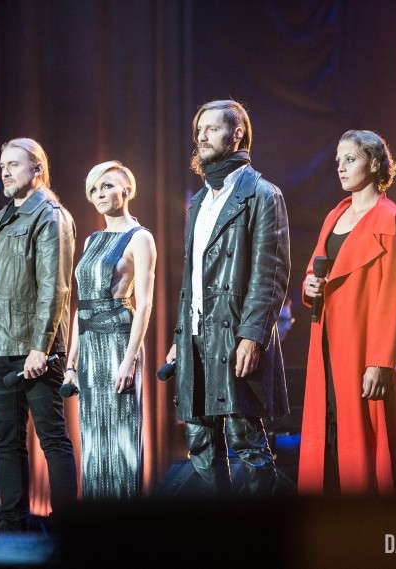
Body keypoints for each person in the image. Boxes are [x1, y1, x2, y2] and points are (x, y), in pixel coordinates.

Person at [166, 99, 291, 496]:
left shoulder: (262, 194)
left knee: (246, 441)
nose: (201, 136)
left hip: (234, 333)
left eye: (211, 128)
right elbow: (192, 279)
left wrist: (253, 335)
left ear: (236, 133)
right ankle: (218, 538)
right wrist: (178, 338)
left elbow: (270, 273)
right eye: (198, 130)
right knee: (200, 445)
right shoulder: (199, 200)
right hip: (196, 335)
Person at [0, 137, 77, 532]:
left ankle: (67, 530)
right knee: (7, 443)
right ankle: (11, 530)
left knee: (52, 439)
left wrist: (39, 347)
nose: (5, 170)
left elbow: (55, 287)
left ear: (38, 169)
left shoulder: (50, 215)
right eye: (3, 163)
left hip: (34, 350)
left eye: (14, 163)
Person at [297, 130, 396, 496]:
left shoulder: (391, 220)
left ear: (374, 163)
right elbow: (317, 269)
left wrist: (380, 361)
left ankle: (367, 532)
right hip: (326, 339)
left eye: (350, 159)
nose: (341, 168)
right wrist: (307, 286)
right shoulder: (336, 213)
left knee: (364, 439)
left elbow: (393, 297)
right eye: (338, 162)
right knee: (326, 427)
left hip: (362, 345)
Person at [62, 160, 156, 500]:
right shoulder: (91, 240)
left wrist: (129, 361)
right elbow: (80, 306)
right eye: (95, 189)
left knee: (121, 439)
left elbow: (144, 304)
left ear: (126, 190)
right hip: (89, 346)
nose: (101, 194)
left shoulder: (140, 238)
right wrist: (71, 364)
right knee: (93, 440)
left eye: (108, 186)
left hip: (119, 341)